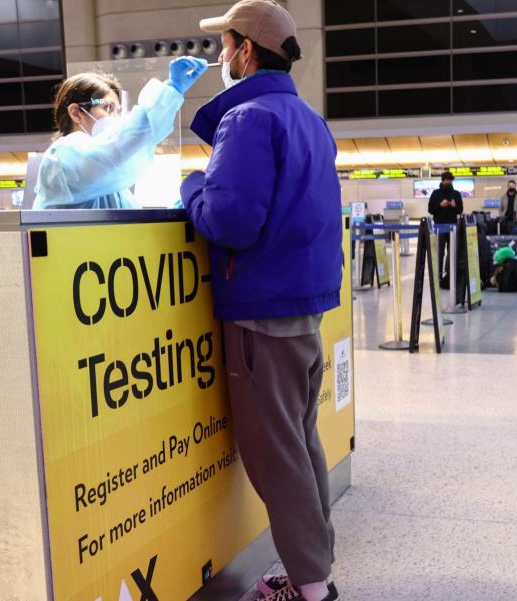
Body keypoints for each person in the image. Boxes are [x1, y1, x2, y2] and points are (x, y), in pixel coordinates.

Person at [180, 2, 341, 600]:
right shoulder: (307, 119)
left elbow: (230, 220)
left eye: (225, 46)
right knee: (301, 444)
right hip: (303, 308)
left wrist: (192, 186)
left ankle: (311, 589)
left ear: (246, 51)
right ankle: (315, 570)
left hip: (259, 314)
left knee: (277, 458)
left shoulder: (246, 118)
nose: (221, 57)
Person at [33, 57, 208, 209]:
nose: (115, 118)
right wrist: (171, 90)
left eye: (118, 110)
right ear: (76, 113)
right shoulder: (62, 157)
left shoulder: (111, 183)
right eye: (107, 107)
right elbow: (123, 141)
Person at [428, 171, 464, 286]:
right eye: (447, 180)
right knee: (439, 252)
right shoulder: (435, 194)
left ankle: (449, 274)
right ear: (442, 180)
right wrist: (440, 206)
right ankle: (437, 275)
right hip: (439, 227)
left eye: (450, 180)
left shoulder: (456, 194)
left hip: (453, 227)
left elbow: (460, 210)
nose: (449, 182)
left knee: (452, 251)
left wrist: (454, 206)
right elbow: (430, 209)